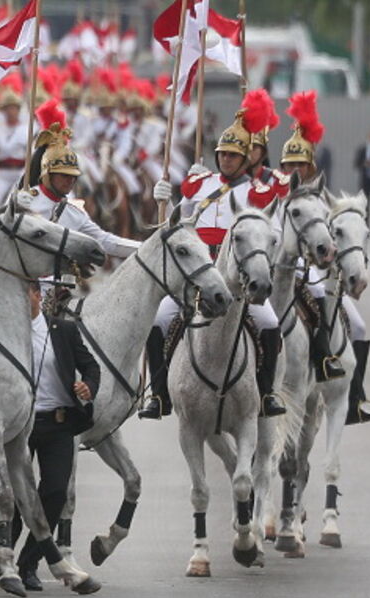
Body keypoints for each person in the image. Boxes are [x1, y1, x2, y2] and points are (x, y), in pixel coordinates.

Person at [140, 92, 285, 420]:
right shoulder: (201, 184)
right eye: (223, 154)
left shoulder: (257, 193)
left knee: (269, 322)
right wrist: (166, 198)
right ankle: (159, 394)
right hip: (198, 269)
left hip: (236, 274)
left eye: (234, 156)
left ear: (247, 158)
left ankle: (267, 394)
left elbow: (270, 234)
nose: (227, 160)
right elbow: (178, 224)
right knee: (160, 319)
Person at [0, 281, 100, 590]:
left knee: (56, 492)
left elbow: (90, 366)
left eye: (27, 294)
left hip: (56, 422)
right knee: (13, 495)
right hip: (18, 424)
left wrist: (88, 385)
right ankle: (5, 553)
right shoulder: (3, 334)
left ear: (38, 295)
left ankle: (29, 560)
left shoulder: (63, 330)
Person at [278, 91, 348, 384]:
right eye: (289, 164)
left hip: (309, 271)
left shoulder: (319, 199)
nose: (295, 170)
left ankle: (323, 360)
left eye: (300, 165)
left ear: (311, 168)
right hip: (274, 267)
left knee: (323, 299)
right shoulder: (271, 192)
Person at [17, 99, 140, 259]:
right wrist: (16, 207)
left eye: (73, 176)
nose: (70, 181)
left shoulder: (75, 212)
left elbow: (106, 241)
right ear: (48, 175)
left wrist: (148, 248)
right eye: (64, 175)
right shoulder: (25, 201)